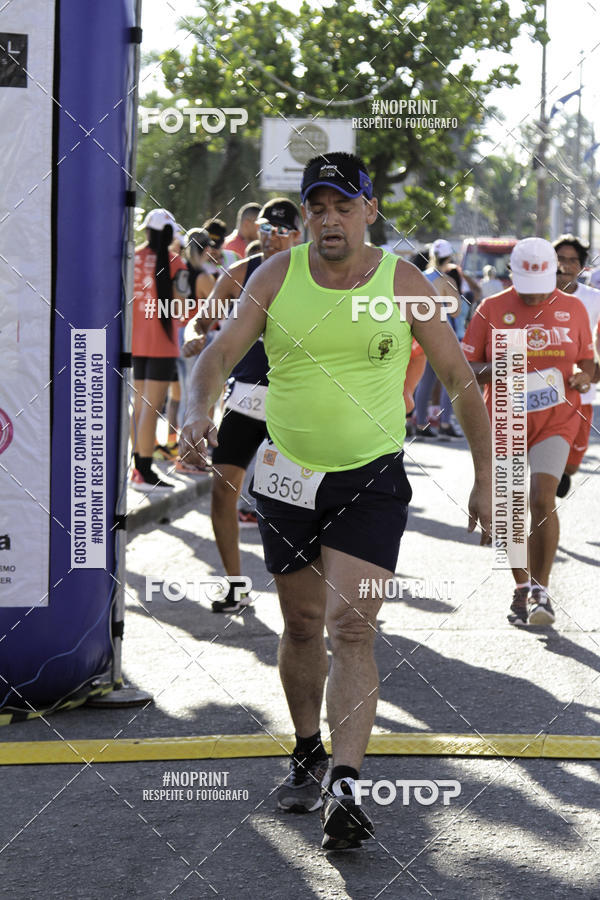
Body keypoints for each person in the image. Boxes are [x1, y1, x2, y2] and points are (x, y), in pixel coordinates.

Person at [181, 151, 492, 851]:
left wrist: (486, 478)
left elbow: (458, 378)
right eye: (317, 208)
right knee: (301, 624)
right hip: (287, 473)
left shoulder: (402, 280)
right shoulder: (275, 275)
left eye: (342, 207)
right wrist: (198, 410)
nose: (328, 220)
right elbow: (218, 354)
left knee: (352, 628)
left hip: (370, 476)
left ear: (369, 212)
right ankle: (306, 748)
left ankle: (346, 785)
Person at [463, 237, 594, 626]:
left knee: (541, 497)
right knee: (507, 508)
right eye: (528, 292)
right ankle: (522, 589)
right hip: (504, 416)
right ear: (512, 276)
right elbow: (467, 369)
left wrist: (583, 376)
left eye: (542, 290)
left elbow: (588, 360)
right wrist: (506, 369)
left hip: (557, 417)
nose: (536, 300)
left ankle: (541, 589)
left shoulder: (573, 308)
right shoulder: (491, 308)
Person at [189, 199, 302, 611]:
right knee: (222, 490)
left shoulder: (315, 273)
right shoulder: (244, 271)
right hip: (247, 396)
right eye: (266, 231)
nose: (271, 240)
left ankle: (311, 594)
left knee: (294, 500)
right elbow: (201, 320)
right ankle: (235, 584)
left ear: (298, 234)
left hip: (296, 400)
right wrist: (195, 336)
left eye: (281, 232)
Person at [131, 208, 188, 491]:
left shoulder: (131, 258)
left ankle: (137, 469)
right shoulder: (177, 263)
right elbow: (185, 309)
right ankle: (143, 471)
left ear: (146, 231)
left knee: (140, 408)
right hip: (163, 346)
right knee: (150, 410)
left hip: (134, 345)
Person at [553, 234, 600, 496]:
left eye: (573, 260)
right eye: (560, 259)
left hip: (582, 389)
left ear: (581, 266)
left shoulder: (594, 298)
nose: (566, 265)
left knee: (572, 463)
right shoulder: (537, 297)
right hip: (546, 390)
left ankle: (561, 472)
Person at [414, 239, 462, 439]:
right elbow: (456, 311)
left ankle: (421, 423)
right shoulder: (445, 281)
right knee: (449, 381)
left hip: (419, 334)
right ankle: (444, 423)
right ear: (449, 257)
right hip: (443, 335)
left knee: (424, 381)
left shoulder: (419, 277)